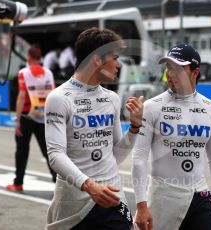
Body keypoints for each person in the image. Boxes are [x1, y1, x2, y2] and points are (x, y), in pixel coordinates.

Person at [44, 27, 144, 230]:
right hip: (74, 202)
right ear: (97, 59)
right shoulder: (59, 98)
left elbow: (115, 156)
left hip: (112, 196)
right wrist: (90, 186)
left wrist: (135, 127)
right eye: (115, 58)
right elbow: (55, 155)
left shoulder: (112, 98)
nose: (118, 64)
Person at [132, 43, 211, 230]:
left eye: (178, 68)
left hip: (199, 196)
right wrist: (141, 205)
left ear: (194, 73)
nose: (170, 73)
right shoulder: (151, 107)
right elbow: (139, 158)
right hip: (164, 198)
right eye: (168, 68)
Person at [6, 47, 57, 192]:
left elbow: (22, 95)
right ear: (40, 57)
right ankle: (59, 183)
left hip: (27, 115)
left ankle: (18, 183)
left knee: (22, 150)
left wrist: (17, 120)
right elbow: (53, 94)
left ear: (28, 56)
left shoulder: (24, 72)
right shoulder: (48, 72)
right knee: (49, 151)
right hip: (43, 115)